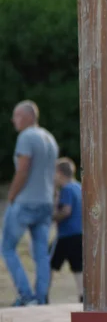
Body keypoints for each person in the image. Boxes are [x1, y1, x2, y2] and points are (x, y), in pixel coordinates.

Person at [2, 101, 58, 306]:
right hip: (45, 201)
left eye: (16, 115)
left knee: (7, 247)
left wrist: (12, 195)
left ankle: (26, 296)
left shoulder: (26, 137)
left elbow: (23, 169)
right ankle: (41, 297)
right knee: (41, 252)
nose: (13, 120)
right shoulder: (49, 138)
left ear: (28, 117)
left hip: (26, 201)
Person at [49, 158, 83, 303]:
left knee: (47, 263)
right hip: (80, 233)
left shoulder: (67, 189)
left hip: (66, 234)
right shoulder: (79, 187)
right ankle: (83, 295)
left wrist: (52, 217)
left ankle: (42, 293)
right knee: (78, 266)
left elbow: (66, 210)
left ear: (59, 173)